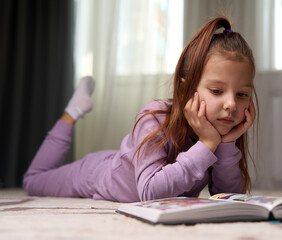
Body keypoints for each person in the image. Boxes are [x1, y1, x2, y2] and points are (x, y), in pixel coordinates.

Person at [23, 16, 258, 203]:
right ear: (186, 90)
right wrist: (207, 145)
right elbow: (149, 192)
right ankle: (73, 111)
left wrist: (225, 145)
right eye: (217, 91)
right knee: (33, 181)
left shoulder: (218, 133)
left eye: (242, 94)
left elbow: (228, 197)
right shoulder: (155, 117)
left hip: (132, 158)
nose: (231, 105)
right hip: (96, 174)